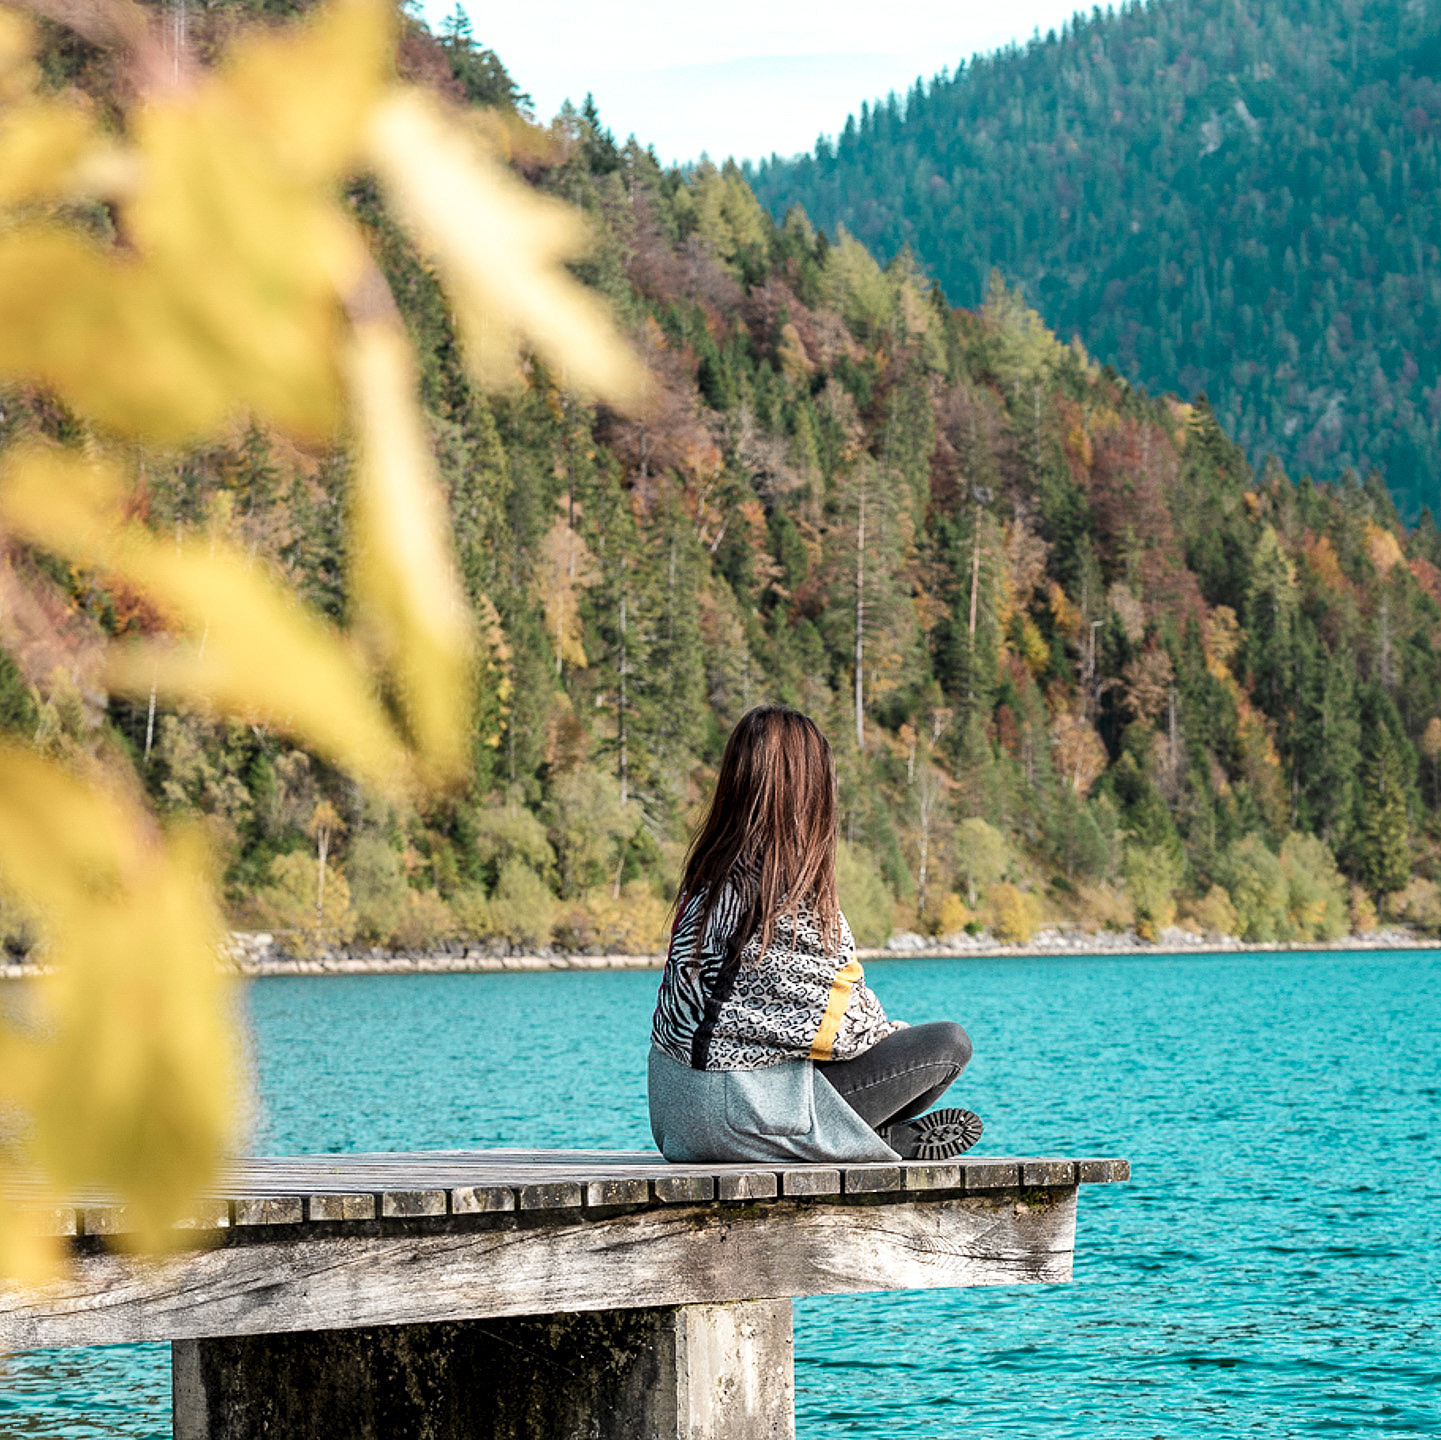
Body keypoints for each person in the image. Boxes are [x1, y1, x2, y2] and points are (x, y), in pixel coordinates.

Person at [649, 704, 981, 1164]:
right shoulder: (787, 891)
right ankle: (873, 1141)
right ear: (808, 789)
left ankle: (871, 1138)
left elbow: (762, 1022)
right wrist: (891, 1034)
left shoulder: (705, 878)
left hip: (675, 1121)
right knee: (947, 1046)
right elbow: (845, 1031)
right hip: (744, 1118)